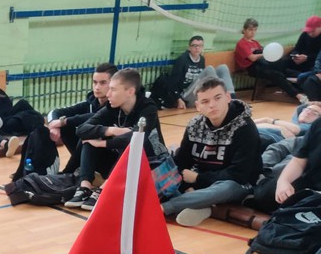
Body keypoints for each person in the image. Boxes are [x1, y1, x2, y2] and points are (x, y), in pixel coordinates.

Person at [161, 77, 262, 227]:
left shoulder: (245, 128)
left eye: (217, 98)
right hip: (201, 181)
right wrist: (185, 186)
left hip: (237, 184)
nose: (212, 105)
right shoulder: (194, 125)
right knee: (165, 170)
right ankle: (201, 204)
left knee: (225, 188)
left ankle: (164, 208)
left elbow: (238, 175)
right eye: (205, 101)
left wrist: (198, 179)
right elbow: (182, 161)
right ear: (198, 106)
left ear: (228, 97)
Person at [66, 68, 168, 211]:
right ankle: (85, 187)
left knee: (129, 146)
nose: (108, 94)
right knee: (90, 140)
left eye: (113, 90)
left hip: (150, 163)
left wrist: (104, 143)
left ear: (130, 91)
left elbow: (137, 139)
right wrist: (111, 130)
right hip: (120, 164)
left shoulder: (148, 108)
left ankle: (105, 190)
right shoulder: (112, 108)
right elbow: (81, 129)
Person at [47, 62, 118, 175]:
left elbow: (94, 117)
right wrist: (54, 126)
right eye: (94, 82)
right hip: (88, 155)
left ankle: (68, 172)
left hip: (111, 159)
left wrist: (64, 121)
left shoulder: (117, 105)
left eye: (103, 83)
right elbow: (55, 112)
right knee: (64, 128)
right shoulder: (88, 103)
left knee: (89, 130)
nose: (97, 87)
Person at [234, 18, 307, 103]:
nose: (253, 32)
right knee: (277, 74)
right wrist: (265, 54)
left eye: (255, 30)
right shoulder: (241, 43)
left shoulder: (255, 42)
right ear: (244, 30)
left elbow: (264, 54)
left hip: (263, 65)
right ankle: (298, 95)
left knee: (285, 67)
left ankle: (305, 87)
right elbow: (252, 58)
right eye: (250, 30)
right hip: (252, 68)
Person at [160, 36, 236, 109]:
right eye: (194, 45)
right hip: (186, 95)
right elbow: (172, 82)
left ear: (202, 47)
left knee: (223, 67)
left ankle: (232, 98)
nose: (197, 48)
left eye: (200, 46)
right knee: (209, 69)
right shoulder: (182, 60)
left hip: (199, 91)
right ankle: (220, 96)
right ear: (189, 47)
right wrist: (178, 99)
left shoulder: (201, 59)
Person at [0, 69, 42, 139]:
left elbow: (9, 104)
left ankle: (39, 118)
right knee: (17, 120)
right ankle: (36, 123)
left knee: (23, 103)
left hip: (7, 115)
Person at [268, 118, 321, 209]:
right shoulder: (318, 124)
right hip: (310, 183)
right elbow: (298, 161)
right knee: (267, 192)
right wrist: (284, 181)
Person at [254, 102, 321, 149]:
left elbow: (295, 130)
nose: (308, 112)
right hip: (255, 132)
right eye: (307, 109)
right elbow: (251, 124)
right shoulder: (284, 123)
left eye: (315, 113)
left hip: (267, 138)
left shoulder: (309, 126)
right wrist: (279, 127)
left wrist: (268, 120)